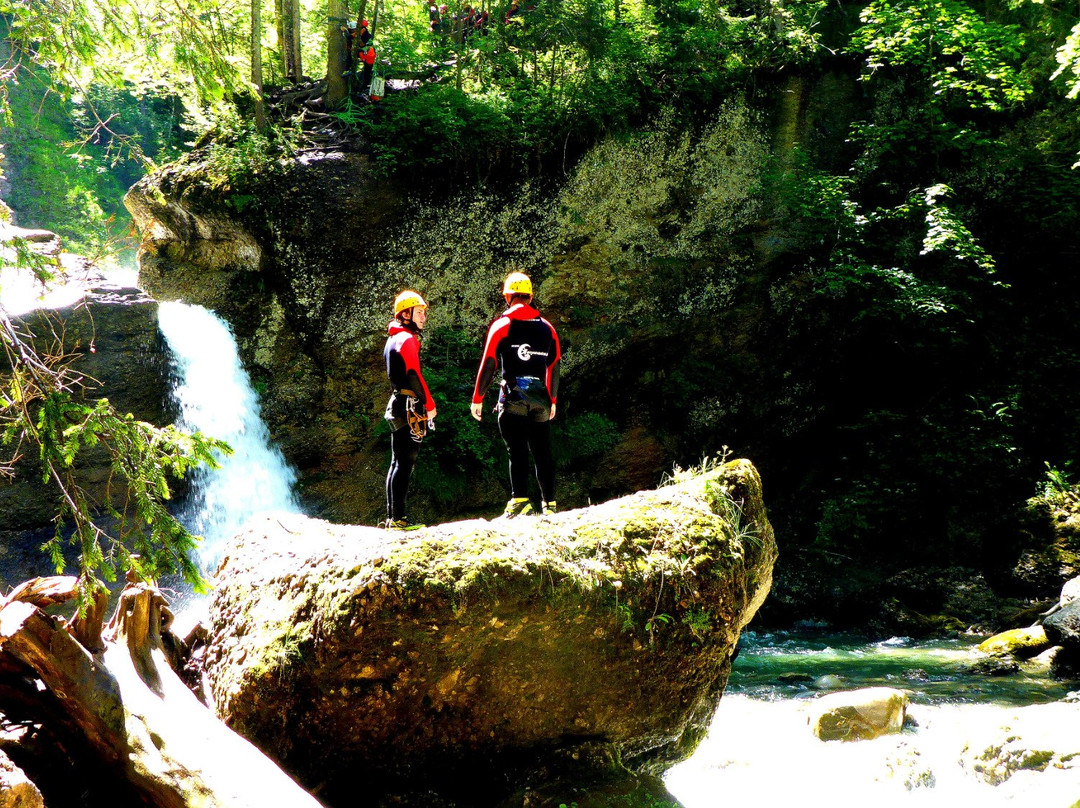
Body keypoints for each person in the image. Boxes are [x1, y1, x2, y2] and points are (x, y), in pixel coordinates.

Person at [471, 272, 561, 517]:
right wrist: (552, 400)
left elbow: (489, 362)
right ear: (530, 297)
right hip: (541, 397)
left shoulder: (502, 325)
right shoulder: (548, 328)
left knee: (517, 449)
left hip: (513, 396)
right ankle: (550, 505)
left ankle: (520, 501)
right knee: (542, 451)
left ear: (508, 297)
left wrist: (478, 398)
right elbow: (554, 365)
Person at [383, 290, 437, 529]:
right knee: (405, 463)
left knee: (397, 462)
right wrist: (429, 404)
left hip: (397, 402)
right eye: (419, 312)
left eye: (424, 313)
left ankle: (392, 517)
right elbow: (414, 373)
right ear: (405, 314)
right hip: (408, 405)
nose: (423, 317)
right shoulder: (407, 339)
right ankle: (399, 519)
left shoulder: (393, 338)